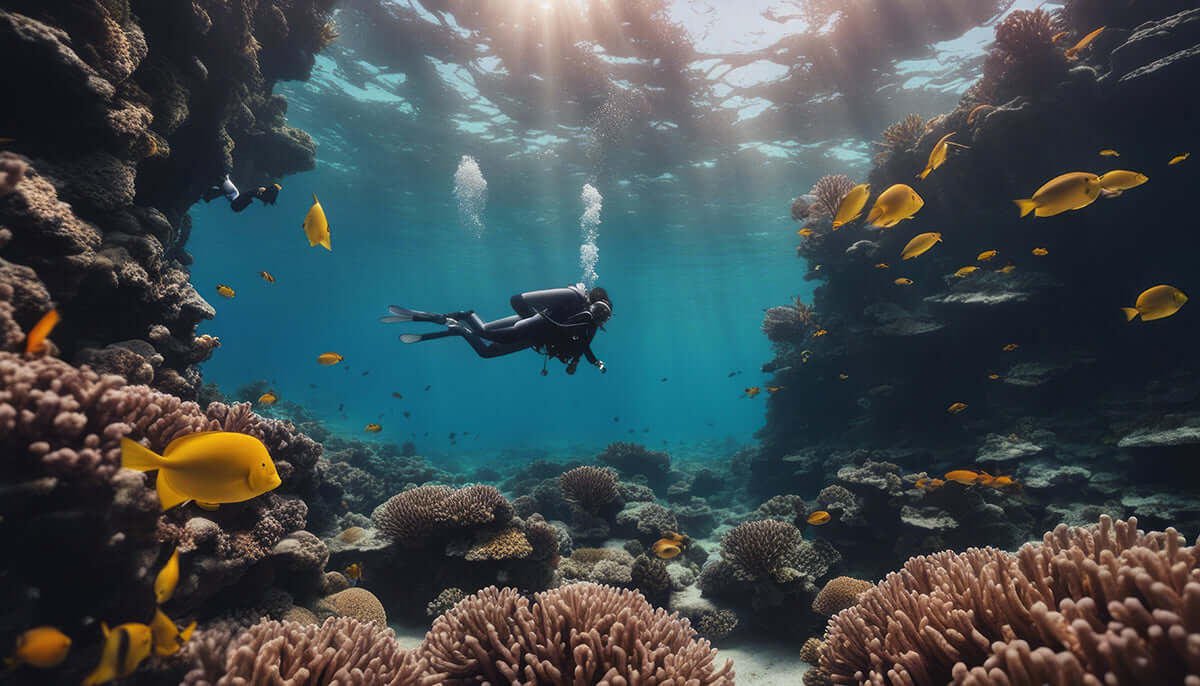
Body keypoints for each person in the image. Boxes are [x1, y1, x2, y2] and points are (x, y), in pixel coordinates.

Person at [382, 283, 611, 374]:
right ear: (594, 303)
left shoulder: (588, 326)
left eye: (606, 315)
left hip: (531, 337)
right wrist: (533, 323)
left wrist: (596, 363)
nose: (602, 316)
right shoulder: (573, 299)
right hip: (530, 328)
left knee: (486, 352)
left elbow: (584, 346)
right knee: (484, 333)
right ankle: (462, 318)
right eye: (602, 310)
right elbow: (518, 300)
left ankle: (457, 328)